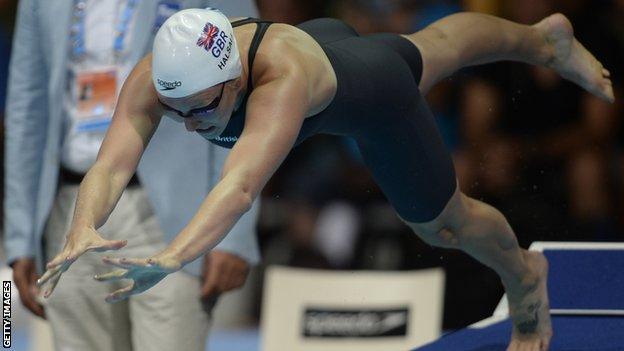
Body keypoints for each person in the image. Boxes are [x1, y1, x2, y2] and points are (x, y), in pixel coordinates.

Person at [38, 8, 614, 351]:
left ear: (234, 81)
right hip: (325, 38)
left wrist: (170, 258)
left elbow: (238, 189)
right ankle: (543, 39)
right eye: (175, 109)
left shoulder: (281, 81)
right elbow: (111, 164)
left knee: (444, 224)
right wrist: (81, 225)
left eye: (199, 111)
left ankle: (524, 274)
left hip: (369, 94)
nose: (187, 125)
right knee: (431, 48)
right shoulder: (163, 75)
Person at [5, 2, 260, 351]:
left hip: (174, 209)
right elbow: (25, 107)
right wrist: (19, 238)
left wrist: (233, 235)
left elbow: (246, 81)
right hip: (71, 206)